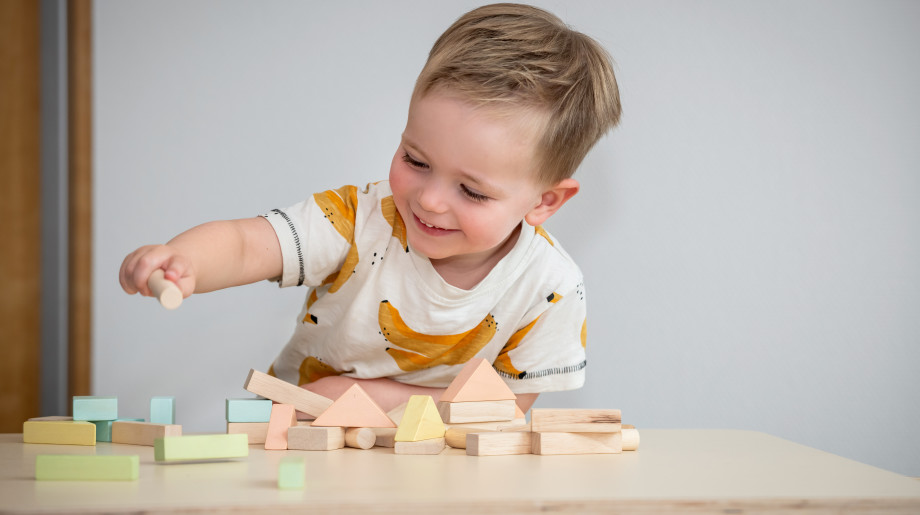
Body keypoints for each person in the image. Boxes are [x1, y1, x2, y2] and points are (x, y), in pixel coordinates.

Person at [119, 3, 621, 414]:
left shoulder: (549, 287)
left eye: (472, 191)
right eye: (415, 160)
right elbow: (249, 244)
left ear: (546, 201)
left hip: (437, 469)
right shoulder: (358, 219)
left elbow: (505, 408)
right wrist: (184, 260)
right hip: (298, 444)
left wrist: (376, 399)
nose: (429, 199)